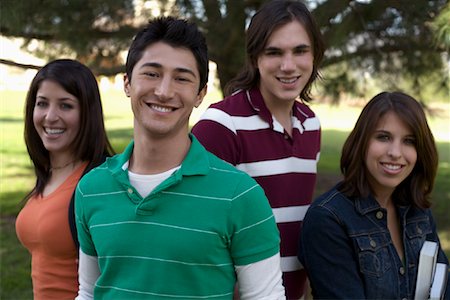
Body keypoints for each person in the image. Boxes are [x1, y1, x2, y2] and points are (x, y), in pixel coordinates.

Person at [74, 16, 285, 299]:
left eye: (182, 78)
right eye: (151, 73)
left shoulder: (240, 195)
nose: (163, 91)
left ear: (200, 94)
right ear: (127, 83)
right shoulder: (91, 189)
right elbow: (88, 291)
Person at [191, 0, 325, 298]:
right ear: (254, 58)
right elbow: (192, 224)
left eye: (300, 51)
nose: (288, 66)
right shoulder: (222, 124)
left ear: (315, 54)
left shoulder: (311, 124)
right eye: (274, 52)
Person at [298, 91, 450, 299]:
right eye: (383, 137)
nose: (395, 152)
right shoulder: (328, 219)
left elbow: (443, 287)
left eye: (409, 141)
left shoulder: (418, 211)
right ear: (362, 142)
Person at [15, 59, 114, 300]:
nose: (50, 117)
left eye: (66, 106)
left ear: (87, 112)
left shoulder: (100, 184)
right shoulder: (48, 174)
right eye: (42, 104)